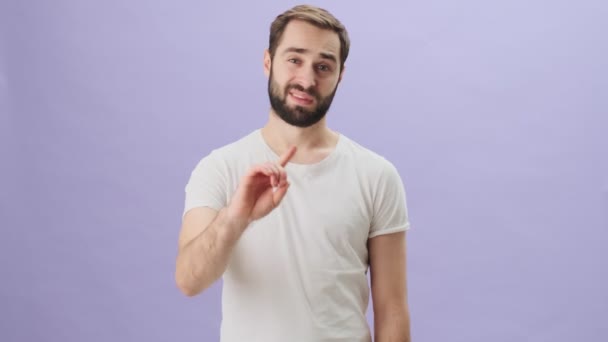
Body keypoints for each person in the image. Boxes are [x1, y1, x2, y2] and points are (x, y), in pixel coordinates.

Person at [175, 5, 411, 342]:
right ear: (268, 62)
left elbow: (392, 310)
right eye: (294, 59)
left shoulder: (377, 175)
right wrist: (237, 216)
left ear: (340, 75)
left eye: (323, 66)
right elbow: (189, 280)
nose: (307, 79)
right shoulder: (220, 167)